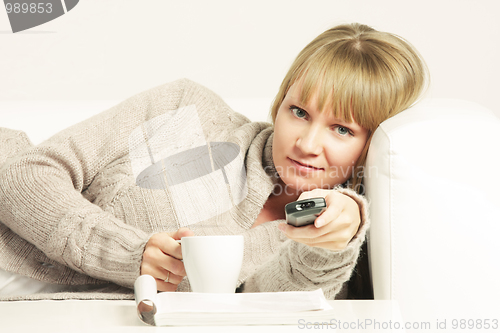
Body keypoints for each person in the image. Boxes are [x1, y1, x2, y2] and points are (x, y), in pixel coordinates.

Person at [0, 23, 428, 300]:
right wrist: (129, 255)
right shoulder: (188, 109)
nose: (307, 143)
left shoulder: (346, 233)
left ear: (373, 146)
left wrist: (343, 229)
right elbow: (22, 176)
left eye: (342, 130)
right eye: (299, 112)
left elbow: (269, 299)